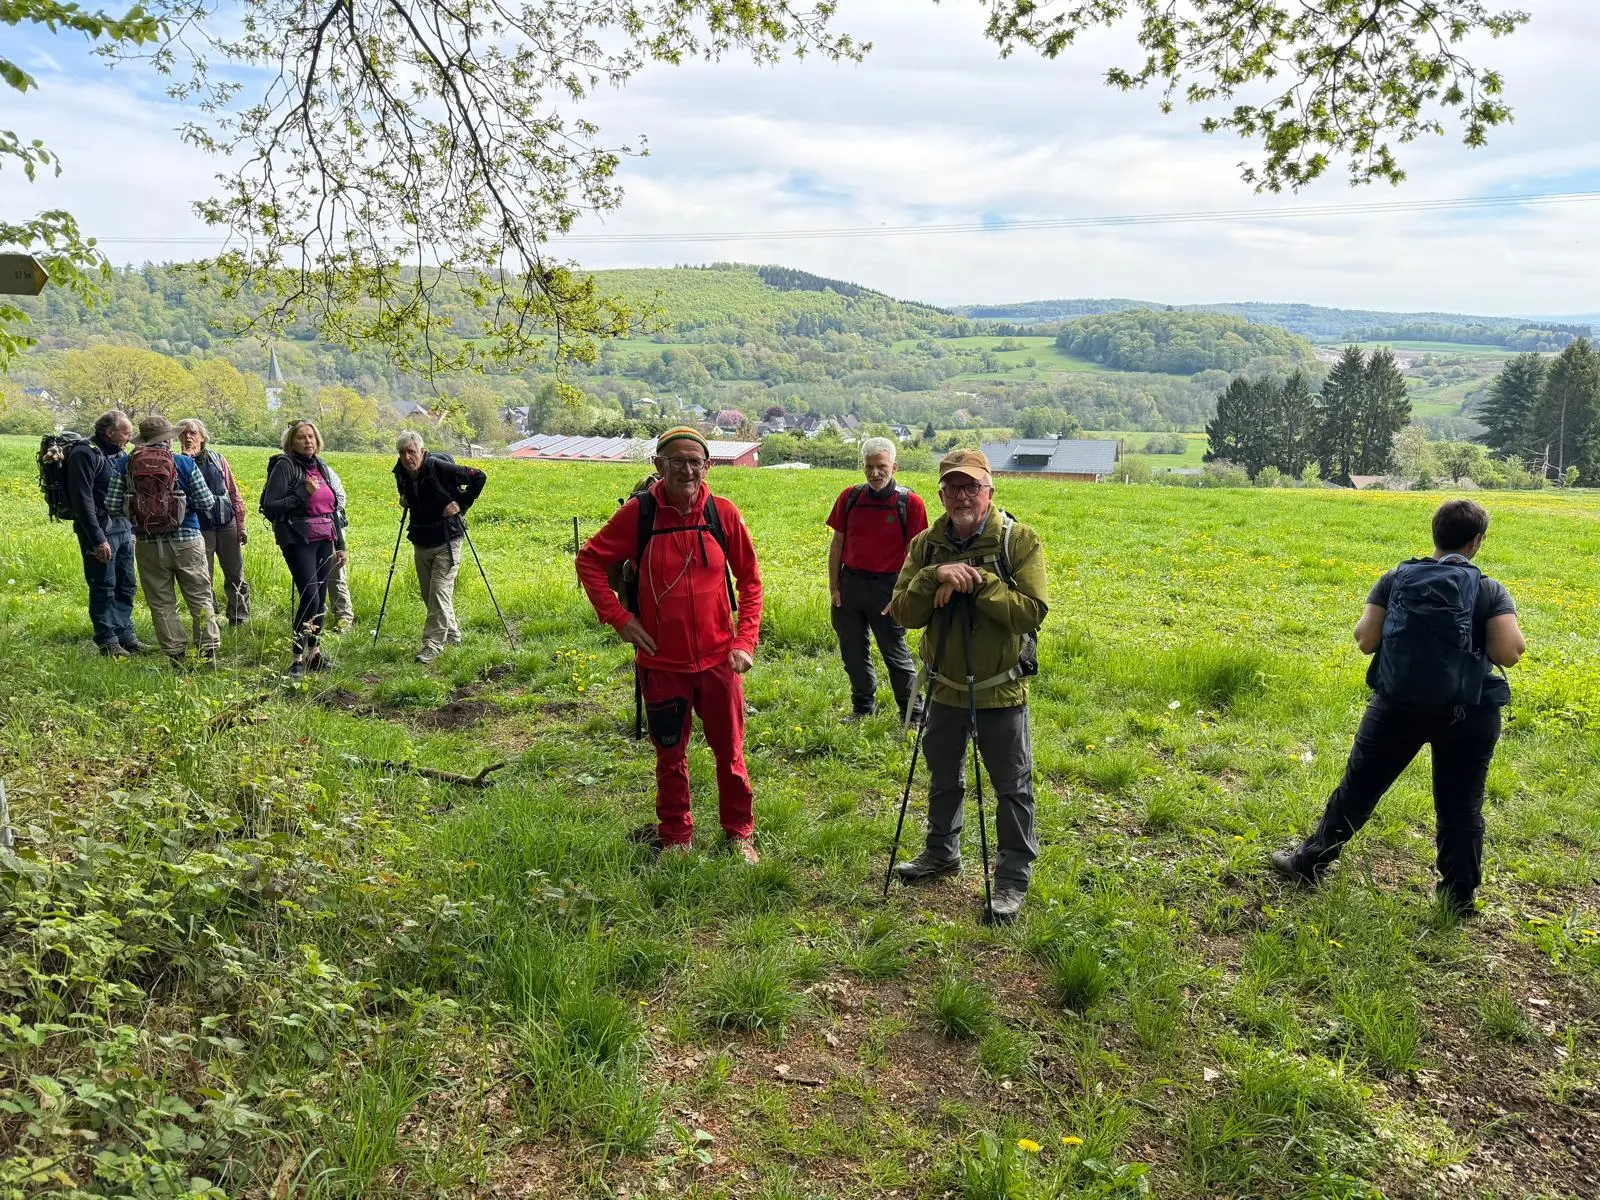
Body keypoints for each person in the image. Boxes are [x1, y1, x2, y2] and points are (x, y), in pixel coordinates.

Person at [1270, 499, 1526, 916]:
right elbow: (1509, 652)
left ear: (1434, 535)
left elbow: (1366, 640)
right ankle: (1457, 899)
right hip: (1468, 713)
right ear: (1477, 541)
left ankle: (1309, 863)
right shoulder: (1487, 589)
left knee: (1359, 788)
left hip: (1397, 707)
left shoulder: (1396, 578)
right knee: (1461, 805)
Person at [575, 427, 764, 862]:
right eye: (676, 460)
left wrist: (745, 640)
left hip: (720, 662)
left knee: (730, 755)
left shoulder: (723, 514)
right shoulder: (639, 515)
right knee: (670, 755)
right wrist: (618, 618)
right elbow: (589, 560)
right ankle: (677, 838)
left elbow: (750, 581)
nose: (687, 469)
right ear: (659, 465)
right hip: (661, 663)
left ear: (708, 466)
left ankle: (739, 834)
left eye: (695, 461)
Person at [890, 448, 1048, 924]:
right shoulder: (927, 546)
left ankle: (1012, 880)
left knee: (1011, 786)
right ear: (940, 494)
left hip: (1000, 688)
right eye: (953, 488)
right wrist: (933, 576)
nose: (962, 496)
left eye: (971, 487)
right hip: (944, 686)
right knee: (942, 775)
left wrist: (977, 581)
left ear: (989, 491)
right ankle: (942, 853)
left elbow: (1031, 612)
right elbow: (901, 612)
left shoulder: (1017, 540)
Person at [104, 414, 221, 667]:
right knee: (200, 597)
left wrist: (138, 512)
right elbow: (207, 502)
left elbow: (112, 505)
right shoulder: (184, 463)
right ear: (168, 438)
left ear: (142, 440)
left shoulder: (125, 464)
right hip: (187, 539)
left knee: (162, 603)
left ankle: (176, 656)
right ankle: (208, 654)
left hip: (147, 543)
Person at [827, 436, 929, 721]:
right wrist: (834, 587)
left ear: (894, 467)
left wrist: (902, 595)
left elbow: (915, 556)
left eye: (881, 466)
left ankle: (913, 715)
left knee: (895, 655)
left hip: (888, 587)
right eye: (869, 467)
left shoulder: (910, 503)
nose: (875, 473)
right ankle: (862, 709)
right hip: (850, 585)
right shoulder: (850, 497)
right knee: (853, 654)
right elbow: (837, 544)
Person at [260, 420, 348, 677]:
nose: (308, 441)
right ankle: (296, 659)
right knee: (310, 596)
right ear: (291, 442)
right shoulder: (285, 466)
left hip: (324, 538)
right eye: (302, 438)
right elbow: (270, 506)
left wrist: (340, 545)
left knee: (320, 599)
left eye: (311, 437)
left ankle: (315, 653)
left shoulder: (319, 466)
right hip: (297, 539)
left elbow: (332, 509)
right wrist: (302, 493)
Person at [392, 431, 487, 663]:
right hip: (420, 539)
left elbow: (479, 477)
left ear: (422, 452)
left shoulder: (439, 467)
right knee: (429, 594)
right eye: (402, 453)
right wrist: (404, 498)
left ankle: (432, 645)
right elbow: (405, 492)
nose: (406, 457)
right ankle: (452, 633)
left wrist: (461, 504)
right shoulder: (400, 472)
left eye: (411, 452)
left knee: (438, 592)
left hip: (447, 539)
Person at [65, 409, 147, 657]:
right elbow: (82, 500)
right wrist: (97, 538)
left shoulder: (119, 454)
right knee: (103, 585)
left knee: (127, 584)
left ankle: (126, 634)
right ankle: (107, 640)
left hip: (122, 527)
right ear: (109, 431)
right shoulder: (84, 454)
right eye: (126, 432)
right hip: (99, 530)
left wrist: (132, 528)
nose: (129, 437)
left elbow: (126, 493)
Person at [176, 418, 250, 626]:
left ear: (202, 437)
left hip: (226, 523)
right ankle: (210, 617)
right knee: (202, 576)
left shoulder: (218, 459)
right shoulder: (177, 462)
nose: (188, 437)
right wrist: (186, 460)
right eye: (183, 434)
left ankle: (239, 616)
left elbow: (233, 493)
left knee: (235, 572)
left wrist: (241, 525)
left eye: (193, 433)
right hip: (198, 527)